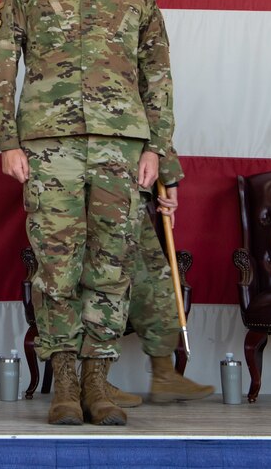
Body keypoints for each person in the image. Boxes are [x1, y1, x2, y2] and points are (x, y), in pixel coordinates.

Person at [0, 0, 174, 426]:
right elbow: (0, 66)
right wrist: (7, 140)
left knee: (111, 266)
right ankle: (64, 379)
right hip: (49, 147)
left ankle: (98, 380)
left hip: (121, 147)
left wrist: (158, 150)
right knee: (57, 266)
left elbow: (157, 78)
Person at [107, 149, 213, 407]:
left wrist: (168, 176)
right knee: (103, 283)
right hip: (86, 184)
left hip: (129, 188)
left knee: (155, 280)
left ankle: (164, 373)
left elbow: (156, 122)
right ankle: (92, 380)